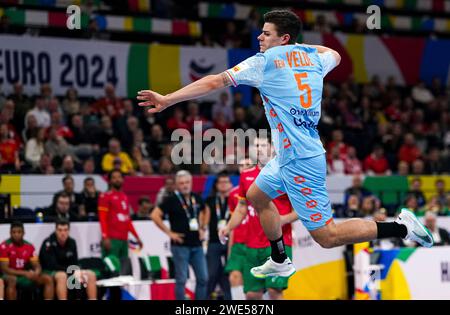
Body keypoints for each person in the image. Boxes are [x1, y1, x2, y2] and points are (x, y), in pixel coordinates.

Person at [137, 10, 434, 279]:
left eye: (266, 33)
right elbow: (335, 54)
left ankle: (401, 226)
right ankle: (279, 258)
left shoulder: (265, 62)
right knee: (255, 195)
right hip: (290, 154)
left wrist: (167, 99)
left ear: (284, 38)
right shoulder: (315, 58)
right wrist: (300, 51)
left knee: (327, 236)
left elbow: (215, 82)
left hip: (300, 160)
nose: (259, 37)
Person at [219, 136, 296, 300]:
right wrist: (228, 227)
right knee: (252, 295)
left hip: (278, 242)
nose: (258, 148)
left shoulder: (285, 173)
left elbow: (299, 210)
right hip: (252, 244)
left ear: (273, 148)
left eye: (262, 145)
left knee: (275, 291)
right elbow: (241, 209)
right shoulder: (246, 176)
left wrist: (282, 220)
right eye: (255, 146)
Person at [150, 170, 208, 300]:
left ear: (191, 183)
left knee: (203, 278)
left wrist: (203, 227)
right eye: (181, 183)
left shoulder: (196, 197)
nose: (185, 185)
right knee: (181, 279)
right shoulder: (171, 199)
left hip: (197, 245)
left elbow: (206, 210)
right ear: (177, 185)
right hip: (180, 245)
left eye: (187, 182)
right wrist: (169, 233)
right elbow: (154, 215)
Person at [39, 219, 97, 300]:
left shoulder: (72, 242)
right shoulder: (48, 243)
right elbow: (51, 265)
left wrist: (77, 271)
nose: (63, 233)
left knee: (91, 274)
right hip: (50, 271)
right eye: (60, 230)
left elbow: (74, 262)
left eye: (65, 230)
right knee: (62, 276)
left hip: (67, 270)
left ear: (69, 231)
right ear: (56, 230)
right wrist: (71, 271)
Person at [0, 221, 54, 300]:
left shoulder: (29, 246)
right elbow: (4, 269)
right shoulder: (4, 246)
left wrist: (36, 272)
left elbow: (36, 264)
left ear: (23, 233)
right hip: (9, 275)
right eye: (14, 232)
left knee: (47, 279)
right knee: (12, 280)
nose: (16, 234)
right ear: (10, 233)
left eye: (19, 232)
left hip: (25, 275)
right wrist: (25, 273)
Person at [224, 158, 254, 300]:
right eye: (241, 165)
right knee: (234, 278)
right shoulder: (232, 194)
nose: (243, 168)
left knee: (256, 286)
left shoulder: (263, 190)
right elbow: (233, 224)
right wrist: (230, 249)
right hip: (238, 245)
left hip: (257, 243)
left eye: (247, 165)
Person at [98, 169, 143, 260]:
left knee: (123, 270)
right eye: (114, 178)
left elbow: (127, 220)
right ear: (110, 181)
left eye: (119, 177)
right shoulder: (105, 196)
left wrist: (137, 237)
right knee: (110, 268)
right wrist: (105, 237)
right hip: (112, 239)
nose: (117, 179)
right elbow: (102, 218)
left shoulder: (124, 197)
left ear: (123, 180)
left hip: (124, 240)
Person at [204, 172, 232, 300]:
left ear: (231, 184)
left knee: (229, 274)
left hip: (231, 242)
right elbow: (204, 220)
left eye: (226, 182)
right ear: (216, 185)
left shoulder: (236, 200)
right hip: (214, 241)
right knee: (211, 274)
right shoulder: (210, 201)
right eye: (221, 182)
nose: (223, 185)